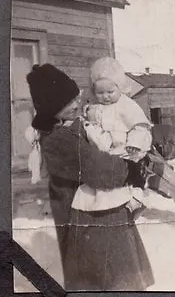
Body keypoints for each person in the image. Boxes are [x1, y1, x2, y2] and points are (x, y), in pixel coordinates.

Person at [26, 63, 154, 291]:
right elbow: (96, 168)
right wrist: (130, 170)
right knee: (107, 275)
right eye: (69, 102)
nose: (78, 105)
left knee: (110, 272)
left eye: (77, 98)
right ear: (53, 107)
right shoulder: (57, 139)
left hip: (95, 207)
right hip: (87, 214)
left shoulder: (66, 125)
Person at [72, 57, 152, 213]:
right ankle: (99, 205)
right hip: (104, 151)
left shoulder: (127, 105)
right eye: (100, 92)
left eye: (110, 91)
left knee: (131, 174)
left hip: (125, 150)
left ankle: (136, 197)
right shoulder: (94, 106)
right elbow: (88, 123)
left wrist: (134, 144)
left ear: (120, 87)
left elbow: (140, 126)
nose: (105, 96)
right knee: (99, 178)